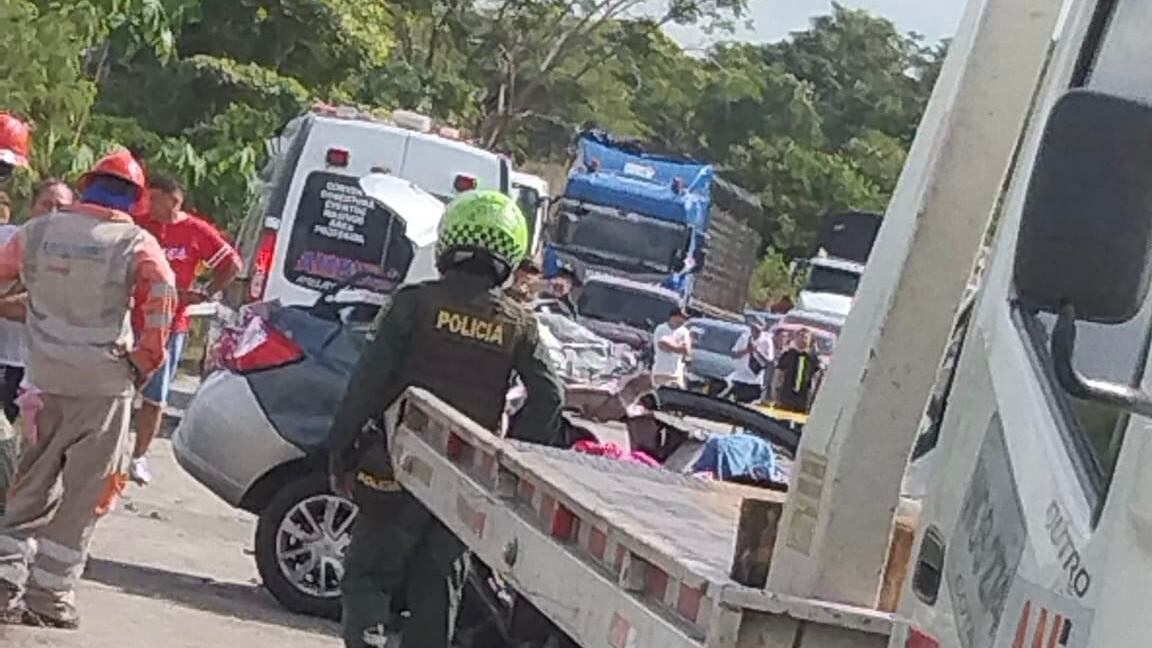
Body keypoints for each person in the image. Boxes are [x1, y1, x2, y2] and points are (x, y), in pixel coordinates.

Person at [328, 190, 564, 648]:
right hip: (464, 481)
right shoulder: (519, 323)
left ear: (449, 241)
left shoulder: (412, 304)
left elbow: (366, 385)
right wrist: (508, 463)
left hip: (394, 468)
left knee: (368, 577)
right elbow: (550, 397)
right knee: (439, 587)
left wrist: (340, 453)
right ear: (509, 255)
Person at [0, 149, 177, 629]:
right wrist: (145, 360)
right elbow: (163, 292)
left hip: (41, 382)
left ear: (86, 185)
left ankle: (3, 582)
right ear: (134, 199)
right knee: (83, 495)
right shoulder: (134, 242)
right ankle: (49, 598)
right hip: (102, 387)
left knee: (28, 484)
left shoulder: (37, 233)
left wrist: (35, 312)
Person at [129, 175, 240, 485]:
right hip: (129, 319)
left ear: (173, 200)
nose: (150, 206)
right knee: (120, 390)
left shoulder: (195, 231)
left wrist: (205, 292)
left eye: (155, 199)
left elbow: (231, 264)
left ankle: (138, 457)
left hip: (169, 324)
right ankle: (108, 449)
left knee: (155, 396)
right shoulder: (137, 224)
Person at [772, 328, 824, 414]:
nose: (803, 339)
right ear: (795, 338)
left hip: (803, 399)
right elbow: (778, 374)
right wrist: (774, 393)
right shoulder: (788, 355)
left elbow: (816, 378)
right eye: (800, 336)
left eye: (806, 337)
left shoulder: (812, 359)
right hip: (786, 396)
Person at [722, 322, 776, 404]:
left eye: (758, 330)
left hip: (754, 381)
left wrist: (757, 351)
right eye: (753, 329)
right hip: (739, 378)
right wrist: (747, 350)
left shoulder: (767, 341)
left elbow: (769, 361)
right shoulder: (744, 337)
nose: (755, 332)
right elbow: (734, 354)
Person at [651, 307, 692, 387]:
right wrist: (679, 346)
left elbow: (687, 351)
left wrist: (672, 345)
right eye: (682, 317)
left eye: (685, 318)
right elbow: (663, 346)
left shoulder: (684, 332)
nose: (684, 320)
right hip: (661, 372)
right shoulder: (661, 328)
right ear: (673, 317)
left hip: (677, 374)